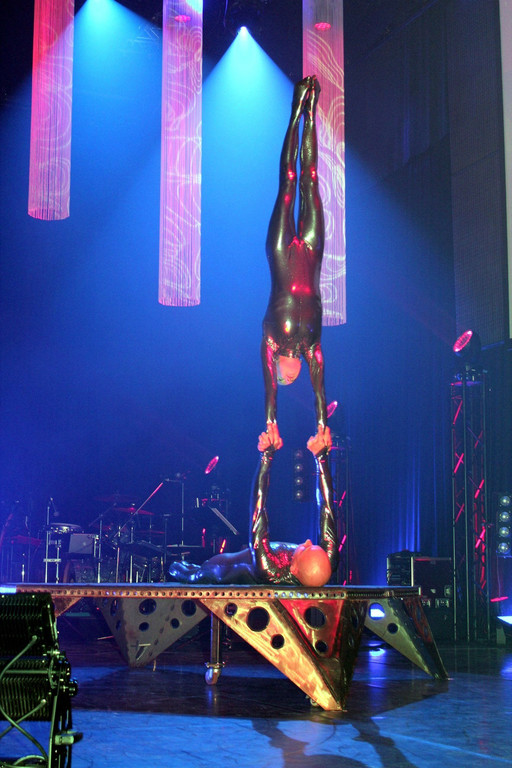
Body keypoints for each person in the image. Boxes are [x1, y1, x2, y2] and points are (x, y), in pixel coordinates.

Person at [168, 428, 338, 587]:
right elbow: (327, 508)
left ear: (293, 569)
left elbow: (259, 511)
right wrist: (321, 458)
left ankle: (178, 568)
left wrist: (266, 456)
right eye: (313, 546)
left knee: (196, 572)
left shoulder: (270, 569)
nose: (308, 542)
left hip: (225, 568)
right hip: (246, 558)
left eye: (305, 549)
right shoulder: (325, 562)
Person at [261, 75, 331, 455]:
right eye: (292, 379)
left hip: (281, 254)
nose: (292, 377)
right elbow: (320, 390)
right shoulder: (311, 346)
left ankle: (295, 109)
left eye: (287, 379)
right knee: (311, 182)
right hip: (312, 253)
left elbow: (269, 390)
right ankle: (312, 112)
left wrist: (271, 422)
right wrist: (322, 425)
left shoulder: (271, 340)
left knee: (288, 184)